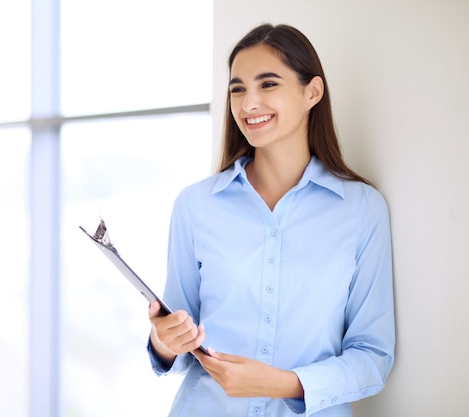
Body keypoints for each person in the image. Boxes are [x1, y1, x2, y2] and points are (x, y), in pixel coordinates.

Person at [147, 23, 395, 417]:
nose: (248, 104)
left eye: (268, 84)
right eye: (238, 88)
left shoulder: (362, 209)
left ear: (312, 92)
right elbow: (180, 338)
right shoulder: (195, 206)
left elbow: (373, 356)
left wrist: (283, 383)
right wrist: (164, 342)